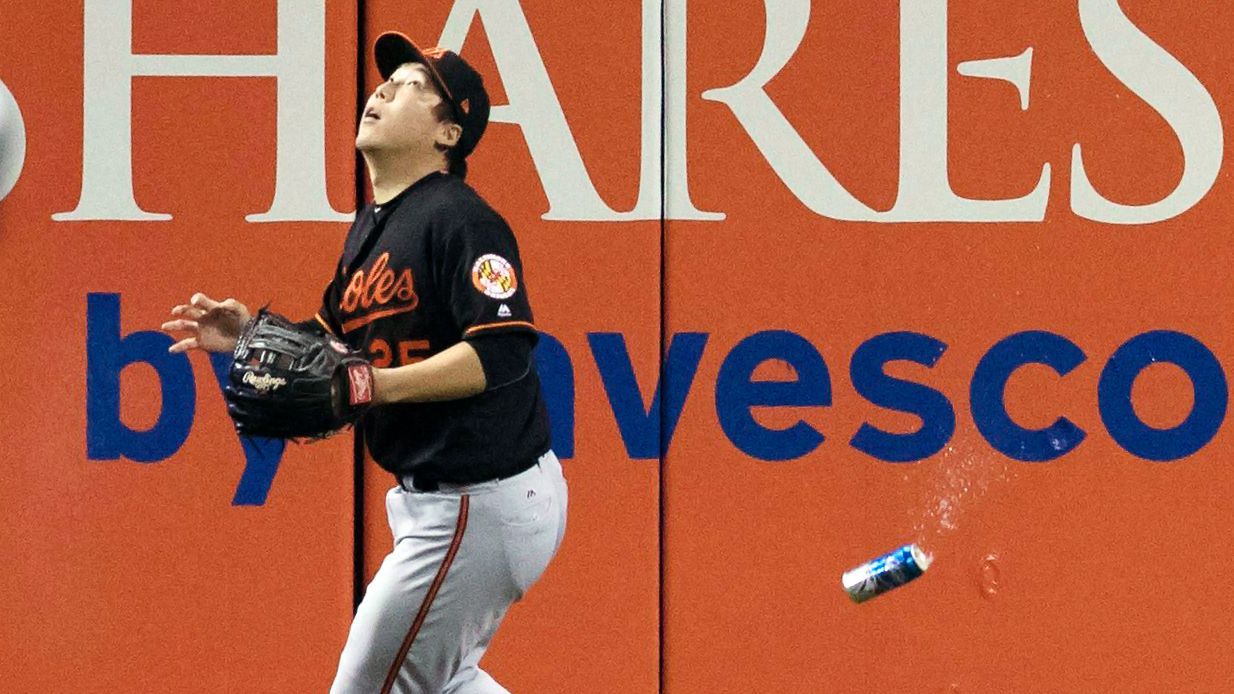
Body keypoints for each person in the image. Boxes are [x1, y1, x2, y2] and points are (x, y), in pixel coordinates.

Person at [161, 31, 567, 694]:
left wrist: (377, 385)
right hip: (456, 501)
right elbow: (333, 340)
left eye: (412, 87)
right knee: (441, 681)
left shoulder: (462, 219)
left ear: (448, 134)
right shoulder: (374, 225)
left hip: (478, 500)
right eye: (388, 81)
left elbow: (501, 354)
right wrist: (252, 333)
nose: (382, 91)